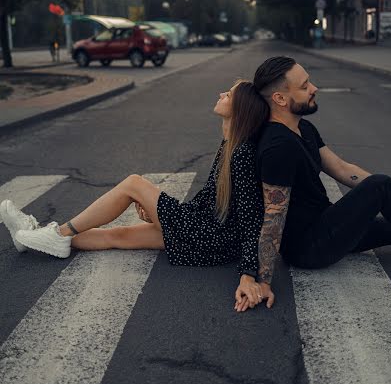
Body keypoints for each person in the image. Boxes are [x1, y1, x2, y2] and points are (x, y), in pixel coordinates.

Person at [1, 80, 268, 310]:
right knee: (118, 236)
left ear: (239, 110)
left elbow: (250, 217)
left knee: (134, 184)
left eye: (229, 94)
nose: (222, 94)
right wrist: (166, 214)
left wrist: (248, 273)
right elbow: (212, 199)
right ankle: (35, 237)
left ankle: (58, 234)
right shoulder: (229, 144)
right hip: (203, 229)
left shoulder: (242, 154)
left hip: (210, 237)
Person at [235, 55, 391, 312]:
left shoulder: (304, 129)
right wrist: (263, 279)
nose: (314, 89)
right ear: (279, 99)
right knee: (380, 185)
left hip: (326, 223)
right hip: (309, 247)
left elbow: (343, 169)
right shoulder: (278, 147)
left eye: (309, 82)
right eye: (304, 86)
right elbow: (273, 216)